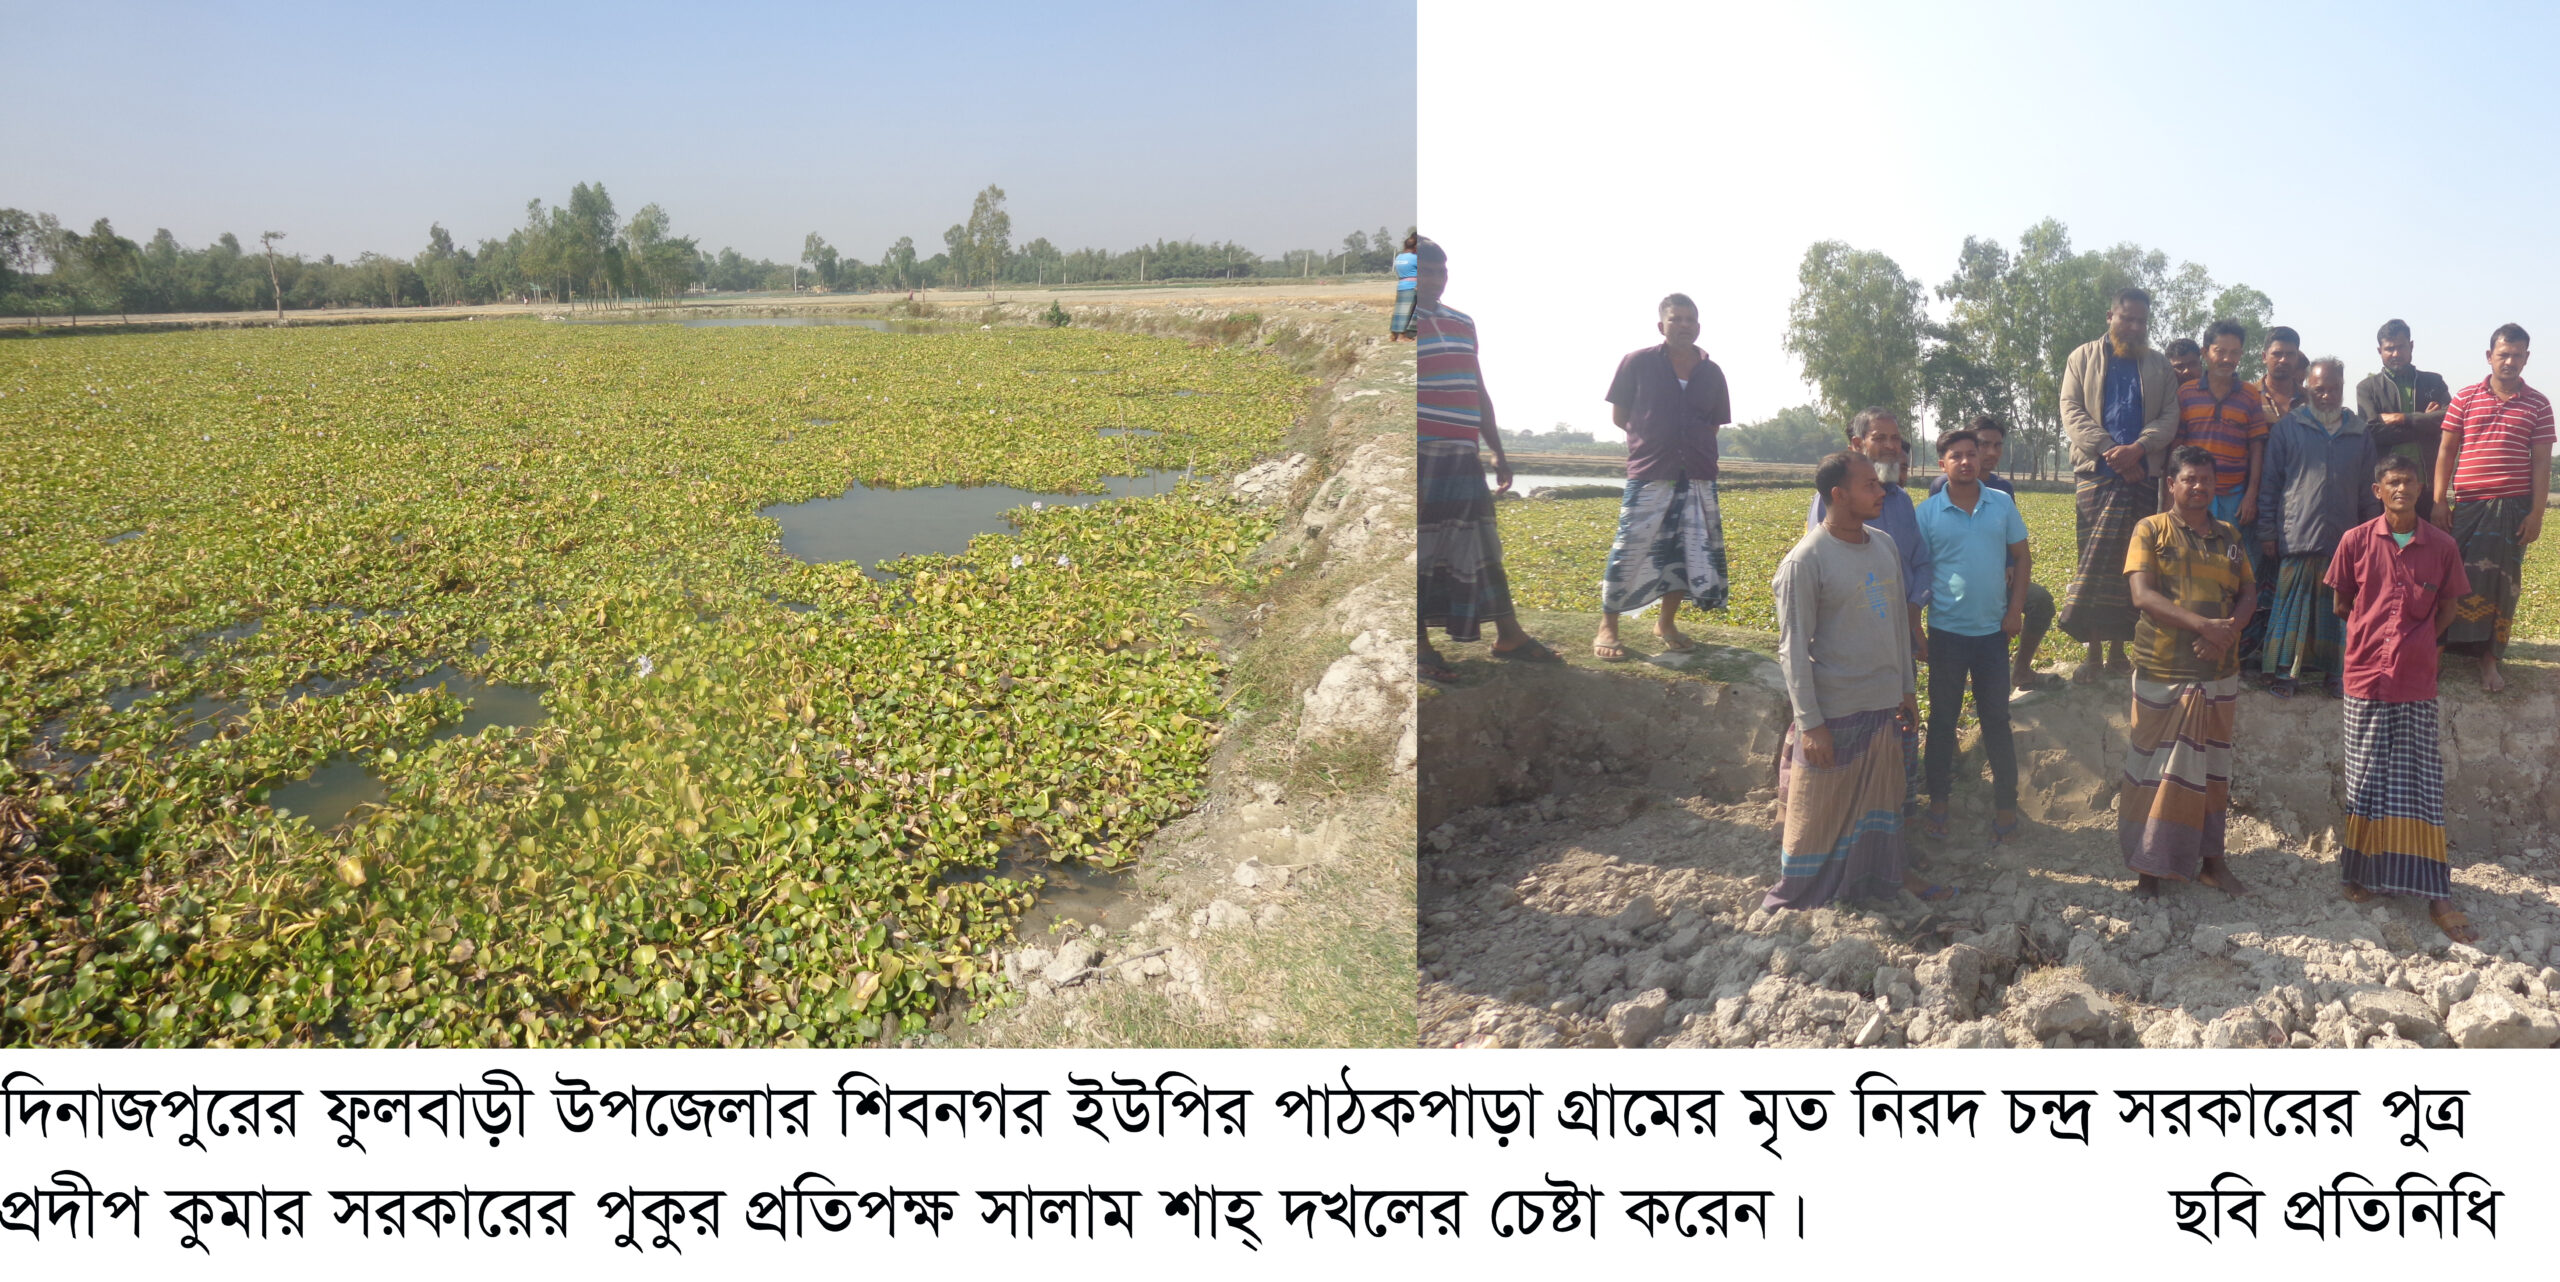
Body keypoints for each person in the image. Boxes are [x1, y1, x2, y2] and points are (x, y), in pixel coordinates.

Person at [1767, 451, 1953, 910]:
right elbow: (1792, 649)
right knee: (1821, 814)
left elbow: (1896, 626)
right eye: (1869, 484)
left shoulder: (1884, 544)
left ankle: (1890, 874)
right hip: (1836, 708)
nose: (1881, 491)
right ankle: (1806, 890)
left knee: (1886, 805)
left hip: (1884, 703)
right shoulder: (1805, 561)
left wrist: (1906, 689)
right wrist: (1811, 724)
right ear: (1838, 494)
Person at [2325, 454, 2477, 944]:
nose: (2401, 490)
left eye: (2409, 482)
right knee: (2365, 775)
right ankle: (2358, 875)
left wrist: (2417, 642)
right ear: (2378, 490)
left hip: (2415, 678)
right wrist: (2373, 639)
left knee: (2420, 781)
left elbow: (2449, 605)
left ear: (2420, 490)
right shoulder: (2355, 541)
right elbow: (2341, 602)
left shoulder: (2443, 546)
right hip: (2365, 676)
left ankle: (2436, 892)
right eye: (2392, 482)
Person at [1414, 237, 1562, 678]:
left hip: (1463, 453)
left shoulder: (1462, 322)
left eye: (1441, 271)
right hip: (1421, 454)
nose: (1435, 279)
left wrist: (1497, 449)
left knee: (1479, 543)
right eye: (1425, 271)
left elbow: (1476, 389)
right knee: (1422, 549)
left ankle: (1508, 633)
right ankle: (1418, 648)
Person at [2121, 446, 2254, 899]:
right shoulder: (2150, 530)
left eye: (2206, 480)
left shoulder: (2229, 535)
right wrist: (2201, 625)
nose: (2198, 487)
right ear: (2171, 484)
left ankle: (2213, 862)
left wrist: (2226, 631)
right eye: (2189, 479)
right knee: (2154, 771)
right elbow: (2142, 595)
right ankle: (2149, 871)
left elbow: (2249, 592)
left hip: (2219, 672)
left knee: (2213, 772)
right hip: (2163, 668)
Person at [1593, 293, 1733, 661]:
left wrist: (1690, 448)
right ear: (1662, 325)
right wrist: (1657, 440)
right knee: (1630, 546)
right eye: (1676, 319)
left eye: (1690, 320)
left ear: (1698, 327)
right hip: (1651, 470)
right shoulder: (1637, 363)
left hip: (1699, 473)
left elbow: (1714, 423)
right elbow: (1621, 417)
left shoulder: (1712, 372)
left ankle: (1666, 623)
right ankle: (1608, 625)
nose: (1683, 325)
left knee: (1686, 550)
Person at [1808, 408, 1930, 815]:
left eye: (1897, 439)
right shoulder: (1828, 509)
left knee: (1896, 737)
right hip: (1848, 656)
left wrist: (1912, 614)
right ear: (1857, 446)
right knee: (1847, 754)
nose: (1893, 447)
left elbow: (1920, 564)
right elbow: (1824, 578)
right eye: (1882, 438)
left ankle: (1896, 826)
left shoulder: (1902, 502)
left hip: (1894, 643)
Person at [1914, 429, 2032, 845]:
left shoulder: (2000, 504)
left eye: (1971, 454)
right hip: (1946, 633)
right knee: (1943, 720)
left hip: (1992, 635)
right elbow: (1917, 572)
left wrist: (2015, 610)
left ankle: (2005, 804)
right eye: (1955, 456)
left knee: (1996, 719)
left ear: (1981, 460)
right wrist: (1916, 629)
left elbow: (2021, 555)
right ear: (1942, 464)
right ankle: (1939, 803)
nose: (1966, 462)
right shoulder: (1926, 513)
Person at [2058, 288, 2180, 682]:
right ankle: (2093, 653)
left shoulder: (2159, 365)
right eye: (2127, 318)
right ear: (2110, 315)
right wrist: (2111, 450)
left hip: (2143, 476)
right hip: (2096, 474)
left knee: (2136, 566)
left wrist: (2139, 449)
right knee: (2095, 565)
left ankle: (2119, 653)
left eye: (2142, 320)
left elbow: (2169, 417)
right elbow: (2072, 412)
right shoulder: (2082, 358)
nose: (2134, 326)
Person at [2432, 323, 2553, 694]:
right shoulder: (2466, 397)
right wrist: (2439, 501)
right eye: (2503, 354)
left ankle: (2489, 660)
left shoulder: (2539, 404)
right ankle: (2436, 654)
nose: (2510, 361)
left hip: (2513, 511)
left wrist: (2536, 514)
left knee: (2504, 586)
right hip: (2467, 507)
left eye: (2517, 355)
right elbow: (2446, 452)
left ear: (2526, 358)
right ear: (2490, 356)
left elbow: (2541, 464)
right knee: (2450, 580)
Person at [2255, 357, 2379, 697]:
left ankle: (2337, 674)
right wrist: (2267, 530)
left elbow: (2370, 491)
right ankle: (2284, 673)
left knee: (2339, 610)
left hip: (2345, 536)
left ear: (2342, 388)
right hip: (2297, 534)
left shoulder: (2360, 433)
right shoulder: (2287, 429)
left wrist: (2371, 536)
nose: (2326, 395)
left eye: (2333, 389)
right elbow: (2270, 486)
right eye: (2319, 388)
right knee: (2291, 608)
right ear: (2308, 387)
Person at [1928, 413, 2059, 691]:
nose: (1991, 452)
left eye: (1997, 445)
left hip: (2000, 576)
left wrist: (2009, 563)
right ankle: (1963, 676)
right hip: (1958, 587)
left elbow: (2010, 537)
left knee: (2040, 601)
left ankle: (2021, 670)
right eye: (1984, 445)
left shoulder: (2003, 489)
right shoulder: (1942, 487)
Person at [2238, 326, 2310, 673]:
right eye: (2277, 353)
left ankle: (2281, 655)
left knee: (2289, 581)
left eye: (2290, 354)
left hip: (2299, 506)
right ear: (2264, 356)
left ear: (2298, 359)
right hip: (2252, 502)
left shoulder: (2311, 401)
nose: (2283, 360)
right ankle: (2244, 651)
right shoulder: (2246, 396)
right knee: (2248, 575)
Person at [2170, 319, 2269, 526]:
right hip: (2192, 492)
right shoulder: (2186, 394)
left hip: (2233, 496)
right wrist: (2169, 497)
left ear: (2241, 355)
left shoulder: (2250, 395)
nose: (2227, 358)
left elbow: (2256, 448)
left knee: (2230, 554)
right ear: (2205, 352)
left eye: (2234, 352)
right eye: (2220, 351)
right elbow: (2174, 450)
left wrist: (2251, 494)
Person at [2354, 318, 2451, 522]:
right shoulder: (2367, 388)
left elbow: (2450, 418)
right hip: (2388, 488)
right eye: (2389, 349)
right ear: (2379, 350)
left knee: (2428, 548)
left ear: (2411, 345)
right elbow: (2372, 432)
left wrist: (2403, 418)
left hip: (2427, 486)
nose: (2396, 354)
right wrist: (2425, 421)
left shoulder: (2433, 381)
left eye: (2401, 347)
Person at [1390, 234, 1419, 342]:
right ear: (1415, 247)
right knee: (1408, 312)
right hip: (1412, 287)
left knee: (1398, 312)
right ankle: (1402, 336)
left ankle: (1393, 334)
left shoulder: (1398, 257)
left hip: (1401, 285)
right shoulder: (1415, 258)